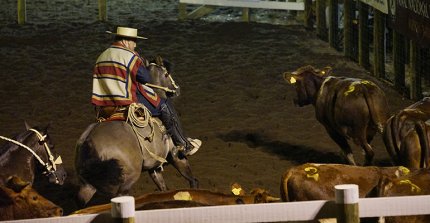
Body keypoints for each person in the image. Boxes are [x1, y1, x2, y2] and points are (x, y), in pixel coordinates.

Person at [91, 26, 201, 156]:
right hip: (125, 102)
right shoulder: (129, 55)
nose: (135, 45)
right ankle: (183, 144)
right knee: (164, 105)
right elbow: (145, 77)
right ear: (126, 41)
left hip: (104, 108)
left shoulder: (101, 56)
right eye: (133, 41)